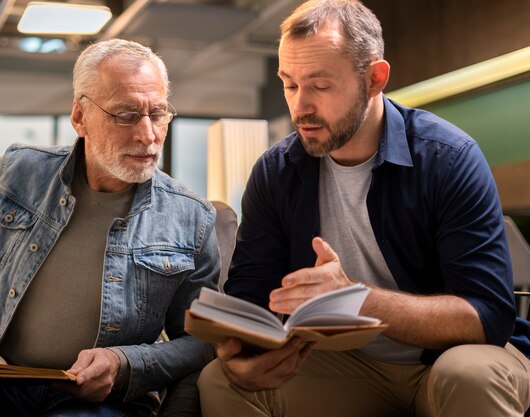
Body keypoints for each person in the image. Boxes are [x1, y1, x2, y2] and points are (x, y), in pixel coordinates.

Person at [198, 1, 530, 416]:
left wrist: (357, 299)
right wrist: (240, 350)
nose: (300, 106)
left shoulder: (449, 157)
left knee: (469, 374)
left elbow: (488, 317)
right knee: (219, 380)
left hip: (450, 360)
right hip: (352, 368)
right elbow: (249, 297)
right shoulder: (276, 171)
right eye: (289, 84)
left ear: (374, 79)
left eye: (320, 85)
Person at [0, 38, 220, 417]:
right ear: (79, 117)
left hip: (99, 399)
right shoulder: (21, 172)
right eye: (126, 115)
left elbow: (200, 341)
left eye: (158, 113)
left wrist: (125, 364)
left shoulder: (191, 217)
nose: (148, 135)